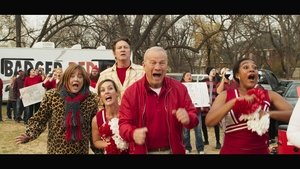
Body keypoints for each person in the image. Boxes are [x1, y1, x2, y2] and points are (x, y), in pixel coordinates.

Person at [119, 46, 199, 154]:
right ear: (144, 65)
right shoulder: (131, 93)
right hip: (143, 151)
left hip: (173, 151)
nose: (158, 67)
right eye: (153, 62)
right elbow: (123, 125)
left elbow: (194, 117)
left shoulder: (179, 89)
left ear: (167, 66)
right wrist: (132, 133)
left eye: (162, 63)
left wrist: (188, 118)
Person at [205, 57, 293, 154]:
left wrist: (267, 113)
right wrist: (234, 102)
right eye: (246, 67)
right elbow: (209, 121)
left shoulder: (269, 94)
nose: (252, 69)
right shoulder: (225, 95)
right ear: (237, 75)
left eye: (255, 68)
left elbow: (294, 115)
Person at [15, 63, 98, 154]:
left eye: (80, 76)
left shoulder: (91, 99)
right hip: (56, 149)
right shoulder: (52, 95)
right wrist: (29, 134)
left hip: (80, 150)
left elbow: (94, 128)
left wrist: (102, 150)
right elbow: (40, 119)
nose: (76, 79)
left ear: (84, 80)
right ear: (65, 79)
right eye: (72, 76)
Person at [95, 36, 144, 103]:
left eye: (125, 47)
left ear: (130, 52)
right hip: (112, 112)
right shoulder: (104, 75)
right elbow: (98, 99)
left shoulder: (142, 72)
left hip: (136, 113)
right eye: (119, 48)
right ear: (114, 53)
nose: (123, 50)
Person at [91, 79, 129, 154]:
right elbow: (96, 141)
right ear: (100, 97)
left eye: (110, 88)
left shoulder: (128, 112)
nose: (106, 92)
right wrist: (109, 145)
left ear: (117, 93)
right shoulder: (96, 119)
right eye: (102, 90)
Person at [181, 71, 205, 154]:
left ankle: (200, 148)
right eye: (187, 75)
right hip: (185, 112)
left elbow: (201, 96)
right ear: (184, 78)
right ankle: (187, 147)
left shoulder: (197, 86)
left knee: (198, 130)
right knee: (186, 132)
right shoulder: (180, 87)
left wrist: (202, 104)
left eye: (190, 75)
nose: (189, 77)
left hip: (196, 111)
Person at [200, 66, 222, 149]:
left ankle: (218, 142)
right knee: (203, 124)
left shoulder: (217, 82)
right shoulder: (203, 82)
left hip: (214, 106)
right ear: (208, 72)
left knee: (216, 124)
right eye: (212, 70)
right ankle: (206, 140)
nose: (214, 72)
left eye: (214, 70)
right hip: (205, 105)